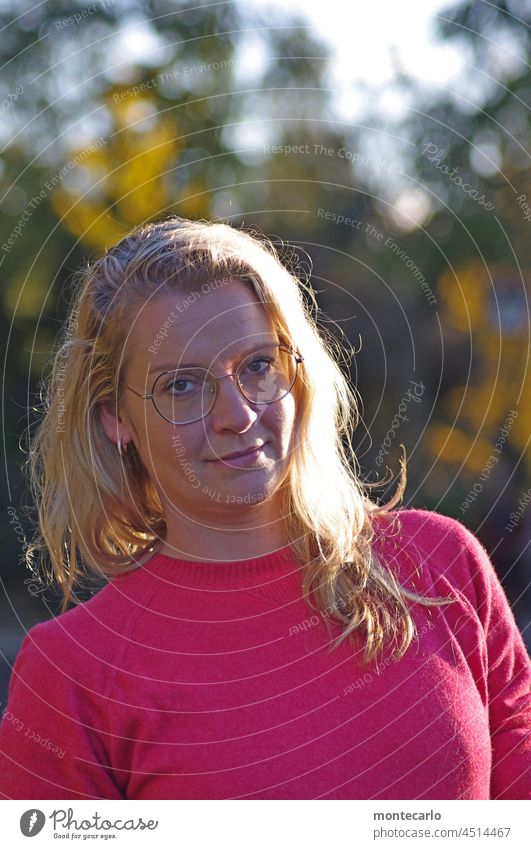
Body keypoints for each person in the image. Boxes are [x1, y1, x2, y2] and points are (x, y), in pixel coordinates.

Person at [0, 216, 529, 801]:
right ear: (114, 417)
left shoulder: (441, 565)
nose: (239, 415)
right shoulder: (72, 673)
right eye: (181, 385)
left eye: (257, 365)